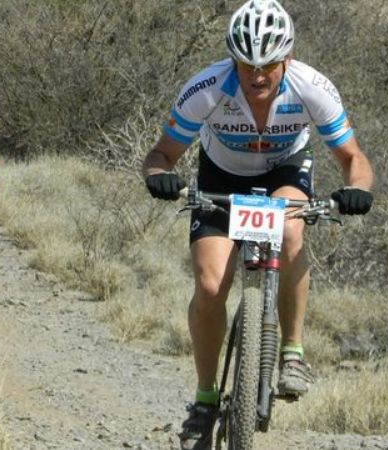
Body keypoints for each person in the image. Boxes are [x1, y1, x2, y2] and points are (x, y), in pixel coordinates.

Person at [141, 1, 374, 448]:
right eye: (247, 64)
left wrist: (357, 188)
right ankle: (205, 399)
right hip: (220, 176)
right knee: (210, 287)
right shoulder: (207, 88)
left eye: (268, 64)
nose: (257, 75)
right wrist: (159, 177)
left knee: (289, 230)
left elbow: (352, 157)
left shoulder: (312, 88)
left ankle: (292, 352)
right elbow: (161, 153)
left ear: (287, 57)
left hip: (285, 171)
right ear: (233, 60)